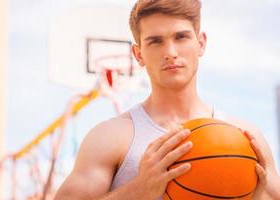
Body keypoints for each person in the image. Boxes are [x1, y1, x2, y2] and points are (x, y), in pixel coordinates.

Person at [54, 0, 280, 199]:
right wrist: (138, 190)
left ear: (201, 43)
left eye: (181, 37)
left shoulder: (245, 139)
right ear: (138, 54)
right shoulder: (111, 137)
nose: (170, 51)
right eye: (155, 41)